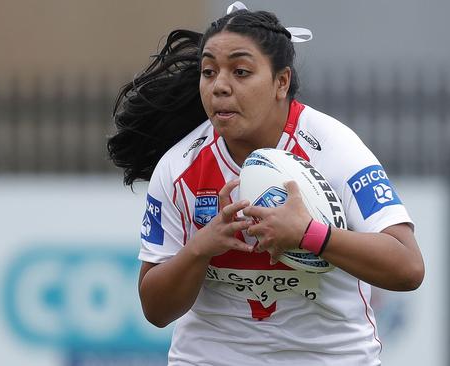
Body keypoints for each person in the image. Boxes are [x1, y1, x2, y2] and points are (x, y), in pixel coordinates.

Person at [108, 2, 424, 365]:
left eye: (240, 72)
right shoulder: (179, 167)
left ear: (281, 82)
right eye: (209, 72)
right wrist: (201, 248)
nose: (220, 87)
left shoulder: (334, 150)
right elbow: (156, 309)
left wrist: (309, 235)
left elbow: (408, 267)